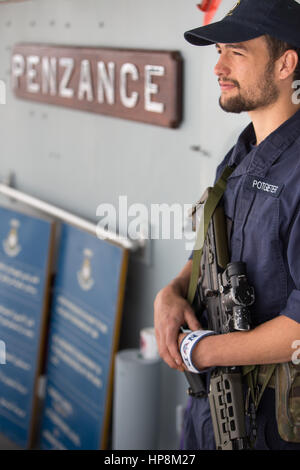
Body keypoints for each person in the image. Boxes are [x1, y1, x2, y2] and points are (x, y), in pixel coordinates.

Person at [154, 0, 300, 450]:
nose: (218, 66)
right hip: (209, 413)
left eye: (235, 52)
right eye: (218, 50)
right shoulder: (238, 156)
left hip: (271, 426)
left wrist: (201, 351)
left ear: (285, 63)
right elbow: (212, 249)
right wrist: (172, 292)